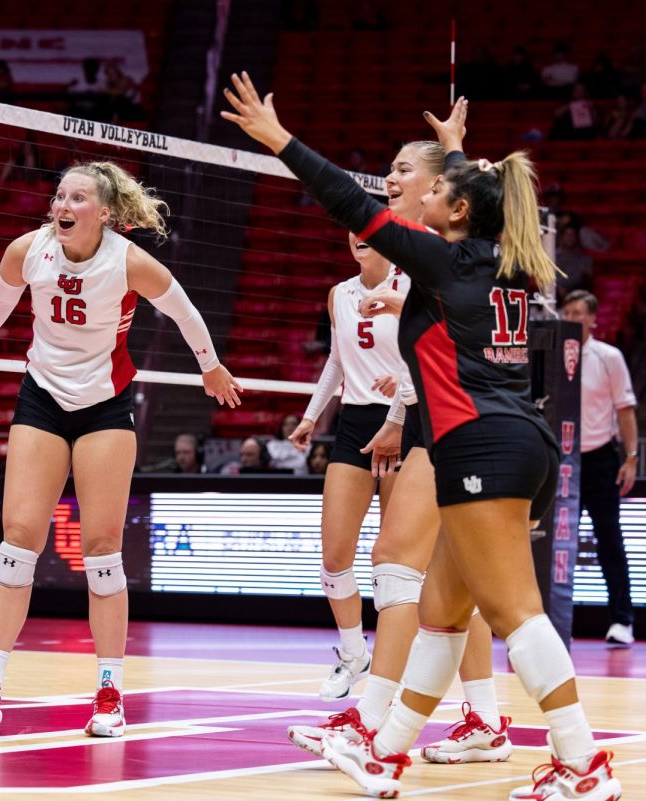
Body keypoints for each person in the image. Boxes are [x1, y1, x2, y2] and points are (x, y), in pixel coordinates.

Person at [225, 70, 620, 799]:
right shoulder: (507, 256)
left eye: (438, 188)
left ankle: (582, 762)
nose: (416, 192)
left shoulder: (442, 259)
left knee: (517, 616)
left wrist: (279, 139)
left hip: (477, 442)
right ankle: (384, 751)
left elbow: (345, 199)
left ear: (459, 208)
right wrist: (459, 151)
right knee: (440, 618)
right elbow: (489, 205)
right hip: (515, 438)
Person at [0, 160, 242, 738]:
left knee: (102, 550)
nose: (62, 204)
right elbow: (0, 301)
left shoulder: (128, 261)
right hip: (42, 397)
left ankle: (109, 694)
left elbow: (184, 310)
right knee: (19, 541)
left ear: (103, 213)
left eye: (76, 197)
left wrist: (210, 367)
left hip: (105, 403)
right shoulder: (27, 250)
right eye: (59, 195)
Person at [287, 131, 516, 767]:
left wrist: (397, 406)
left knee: (399, 564)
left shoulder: (438, 248)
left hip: (451, 426)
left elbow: (449, 350)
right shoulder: (428, 249)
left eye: (405, 170)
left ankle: (370, 719)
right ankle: (483, 720)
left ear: (444, 190)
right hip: (443, 420)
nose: (389, 177)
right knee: (453, 585)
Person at [284, 231, 405, 701]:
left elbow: (429, 352)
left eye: (368, 229)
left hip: (403, 420)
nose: (359, 237)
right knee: (334, 557)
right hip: (354, 421)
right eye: (353, 230)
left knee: (396, 560)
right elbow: (337, 359)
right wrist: (312, 417)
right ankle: (355, 656)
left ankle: (395, 669)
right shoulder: (340, 293)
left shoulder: (410, 286)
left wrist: (403, 385)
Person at [562, 290, 638, 646]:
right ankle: (556, 622)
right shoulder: (552, 355)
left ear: (593, 318)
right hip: (562, 459)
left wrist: (631, 458)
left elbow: (625, 409)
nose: (574, 318)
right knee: (559, 545)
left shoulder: (610, 357)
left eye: (580, 313)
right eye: (569, 312)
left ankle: (621, 620)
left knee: (610, 540)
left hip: (600, 457)